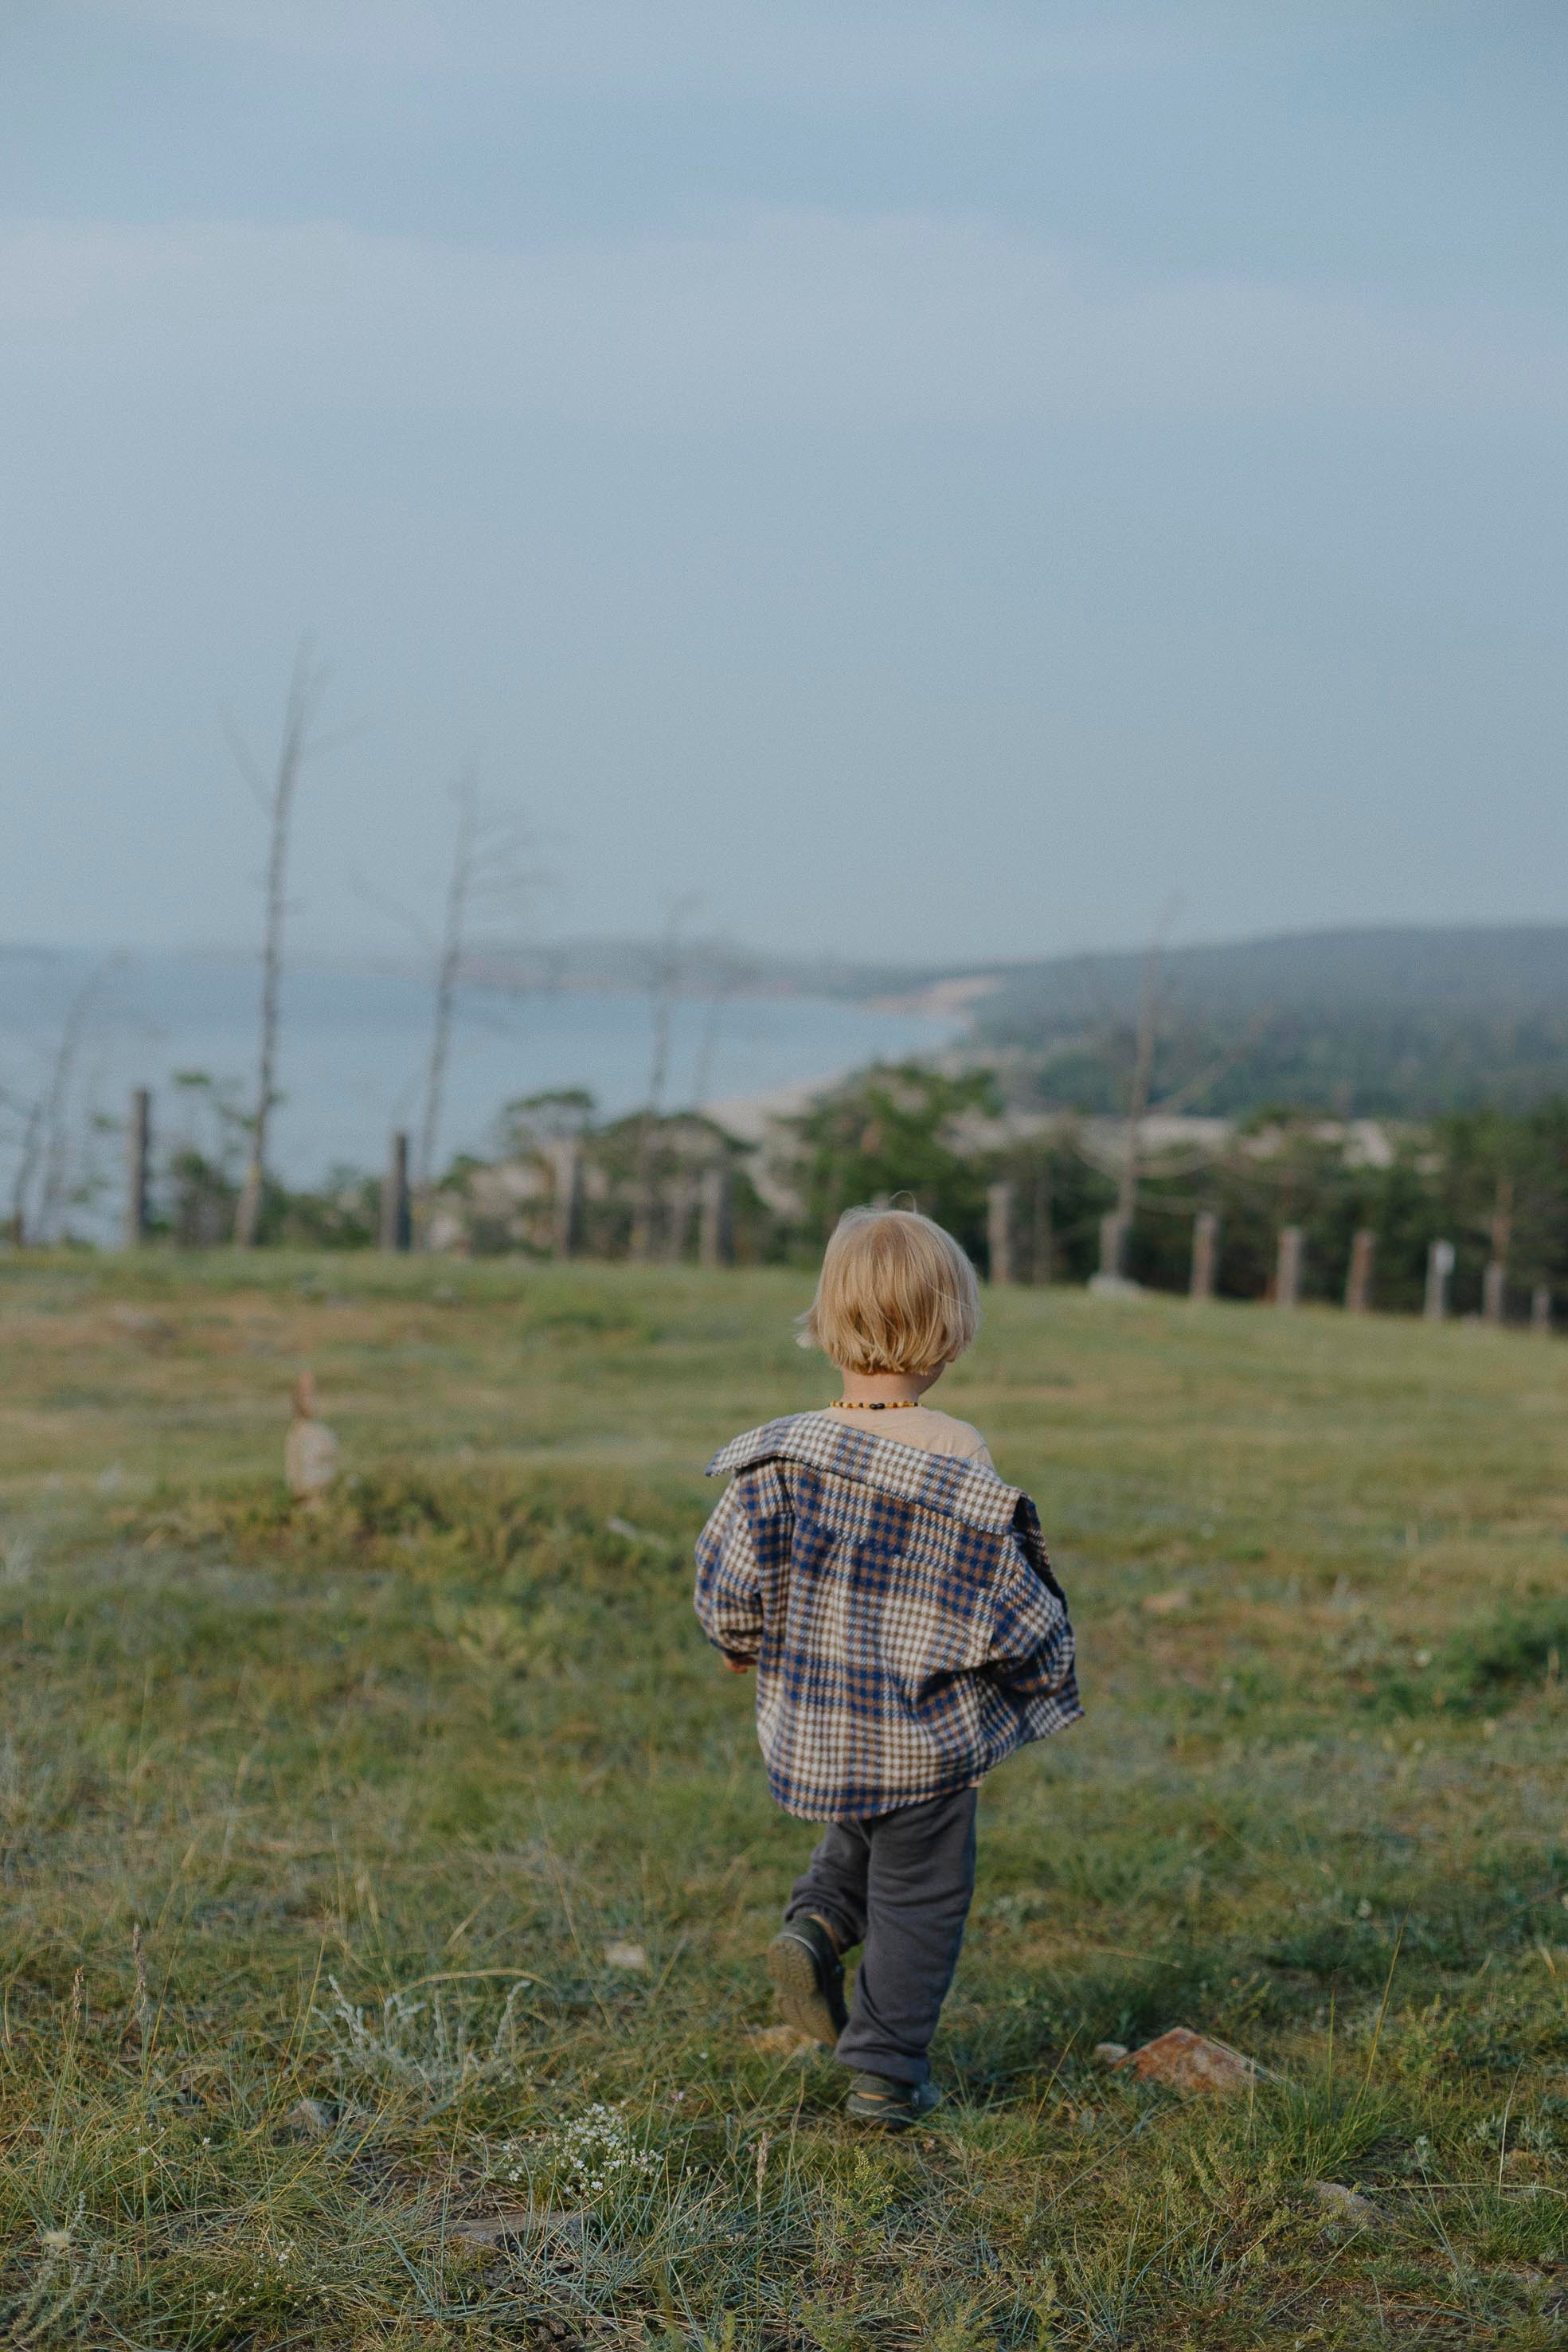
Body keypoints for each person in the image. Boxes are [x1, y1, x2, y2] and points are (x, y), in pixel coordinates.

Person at [694, 1204, 1081, 2127]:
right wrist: (1040, 1673)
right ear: (949, 1332)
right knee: (921, 1891)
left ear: (827, 1321)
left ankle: (818, 1924)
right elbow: (1005, 1599)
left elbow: (726, 1574)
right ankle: (886, 2067)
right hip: (923, 1731)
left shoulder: (780, 1453)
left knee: (862, 1829)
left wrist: (735, 1639)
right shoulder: (956, 1455)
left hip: (818, 1728)